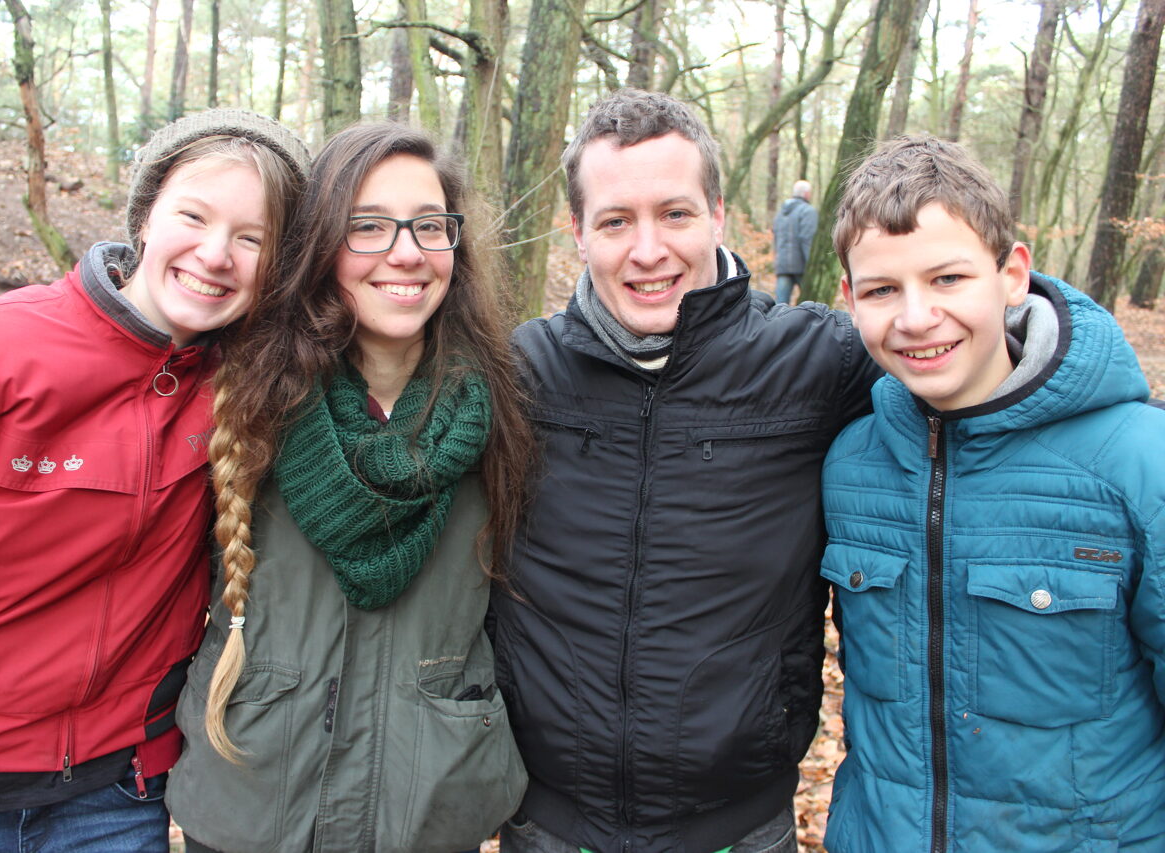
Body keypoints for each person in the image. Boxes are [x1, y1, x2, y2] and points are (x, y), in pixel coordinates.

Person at [0, 108, 309, 851]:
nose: (216, 254)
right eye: (194, 217)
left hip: (115, 794)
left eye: (253, 238)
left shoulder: (250, 387)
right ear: (145, 217)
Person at [490, 88, 881, 853]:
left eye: (674, 213)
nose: (648, 250)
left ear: (717, 214)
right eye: (615, 221)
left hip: (740, 823)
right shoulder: (519, 373)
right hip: (550, 823)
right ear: (578, 231)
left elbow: (970, 354)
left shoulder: (818, 362)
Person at [165, 122, 534, 853]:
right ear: (320, 245)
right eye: (367, 226)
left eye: (429, 225)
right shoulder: (242, 395)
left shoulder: (504, 409)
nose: (407, 252)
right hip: (252, 805)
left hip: (429, 811)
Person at [820, 135, 1165, 851]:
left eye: (948, 278)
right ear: (849, 299)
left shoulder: (1137, 462)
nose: (916, 317)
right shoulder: (851, 462)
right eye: (882, 290)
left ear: (1012, 274)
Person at [773, 179, 817, 304]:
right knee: (811, 304)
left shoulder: (781, 213)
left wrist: (777, 260)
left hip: (783, 266)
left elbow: (776, 239)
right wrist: (811, 265)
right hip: (801, 266)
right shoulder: (808, 211)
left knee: (780, 307)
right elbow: (807, 239)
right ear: (807, 194)